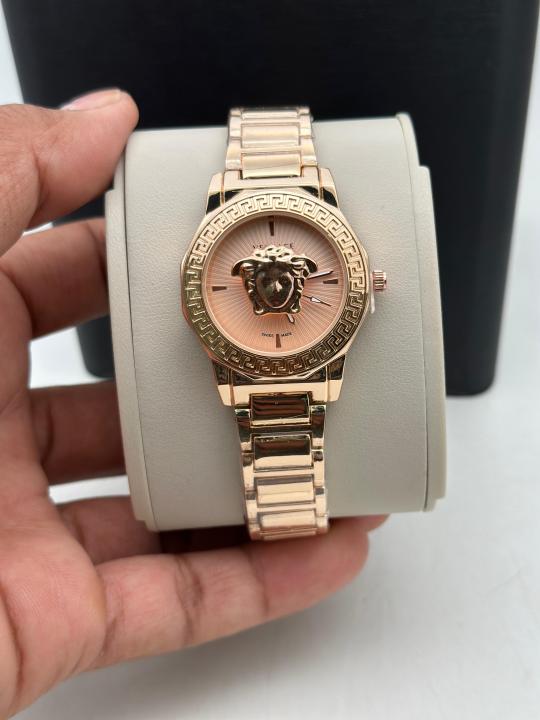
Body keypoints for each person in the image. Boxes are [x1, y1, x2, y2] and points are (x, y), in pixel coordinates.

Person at [0, 89, 386, 717]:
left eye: (287, 277)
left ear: (362, 283)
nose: (276, 287)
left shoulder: (308, 252)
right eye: (261, 278)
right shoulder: (223, 268)